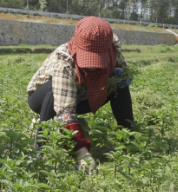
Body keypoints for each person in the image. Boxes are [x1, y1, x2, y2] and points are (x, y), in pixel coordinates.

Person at [27, 16, 134, 172]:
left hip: (83, 96)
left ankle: (127, 138)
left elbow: (125, 72)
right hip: (43, 99)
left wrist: (123, 76)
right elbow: (65, 112)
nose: (91, 67)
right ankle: (41, 144)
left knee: (119, 86)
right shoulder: (64, 61)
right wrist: (82, 153)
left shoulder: (114, 52)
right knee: (52, 90)